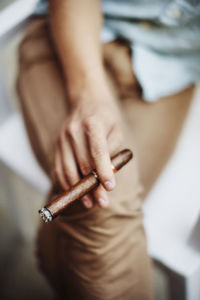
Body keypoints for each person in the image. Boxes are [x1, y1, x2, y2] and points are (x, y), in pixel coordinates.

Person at [17, 0, 199, 299]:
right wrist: (89, 97)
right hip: (71, 40)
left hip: (169, 75)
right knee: (101, 206)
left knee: (93, 213)